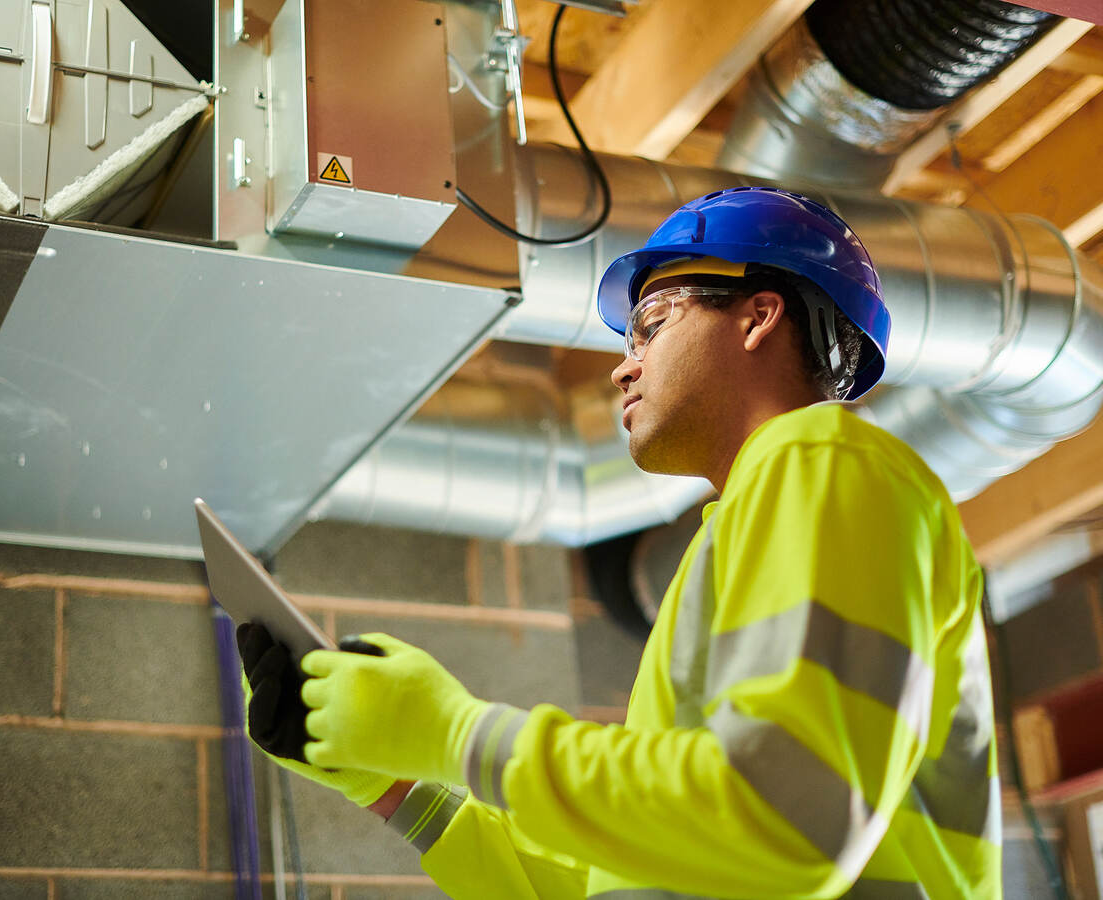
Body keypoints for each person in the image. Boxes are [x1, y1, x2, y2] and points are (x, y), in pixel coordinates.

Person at [237, 187, 1001, 898]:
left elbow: (788, 816)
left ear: (758, 316)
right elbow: (619, 875)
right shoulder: (749, 525)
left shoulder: (827, 463)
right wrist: (393, 782)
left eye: (650, 325)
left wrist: (453, 733)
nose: (620, 365)